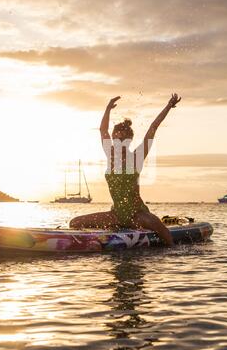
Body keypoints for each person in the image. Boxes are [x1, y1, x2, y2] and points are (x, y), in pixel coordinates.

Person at [70, 93, 181, 246]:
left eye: (122, 139)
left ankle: (171, 251)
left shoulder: (137, 157)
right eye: (116, 139)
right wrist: (108, 108)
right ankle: (115, 228)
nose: (118, 142)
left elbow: (153, 128)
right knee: (75, 222)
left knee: (163, 231)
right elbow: (103, 130)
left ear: (128, 141)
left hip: (138, 215)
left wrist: (168, 106)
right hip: (116, 215)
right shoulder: (110, 155)